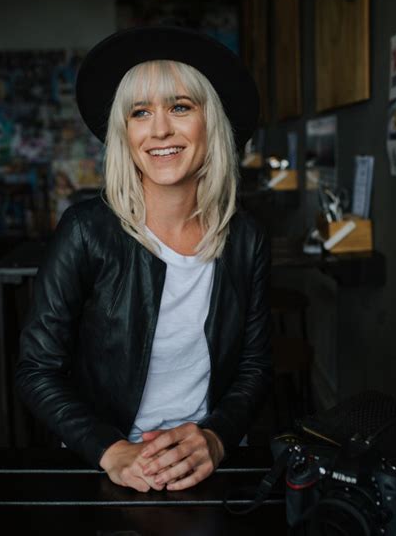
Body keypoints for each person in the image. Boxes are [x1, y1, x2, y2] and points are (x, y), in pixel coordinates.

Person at [15, 26, 273, 493]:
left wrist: (216, 438)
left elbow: (254, 366)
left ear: (210, 122)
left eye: (180, 107)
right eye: (140, 112)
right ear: (125, 132)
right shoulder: (85, 231)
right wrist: (112, 450)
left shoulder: (246, 239)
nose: (159, 130)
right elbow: (37, 370)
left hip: (208, 462)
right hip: (105, 461)